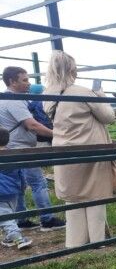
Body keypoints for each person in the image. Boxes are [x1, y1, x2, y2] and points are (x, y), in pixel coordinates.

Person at [43, 50, 116, 248]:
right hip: (89, 150)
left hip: (63, 152)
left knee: (73, 200)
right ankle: (97, 243)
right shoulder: (83, 92)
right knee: (95, 198)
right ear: (71, 69)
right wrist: (100, 95)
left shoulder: (47, 95)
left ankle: (75, 243)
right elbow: (108, 117)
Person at [0, 66, 65, 231]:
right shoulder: (13, 101)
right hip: (21, 148)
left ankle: (21, 219)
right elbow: (32, 125)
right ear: (12, 81)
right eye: (24, 80)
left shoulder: (4, 99)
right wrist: (58, 135)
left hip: (10, 146)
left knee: (20, 185)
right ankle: (47, 219)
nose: (28, 83)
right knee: (39, 183)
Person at [0, 128, 32, 249]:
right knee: (9, 215)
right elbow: (21, 173)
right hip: (13, 191)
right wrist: (23, 186)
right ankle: (9, 238)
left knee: (5, 217)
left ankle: (18, 238)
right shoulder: (12, 155)